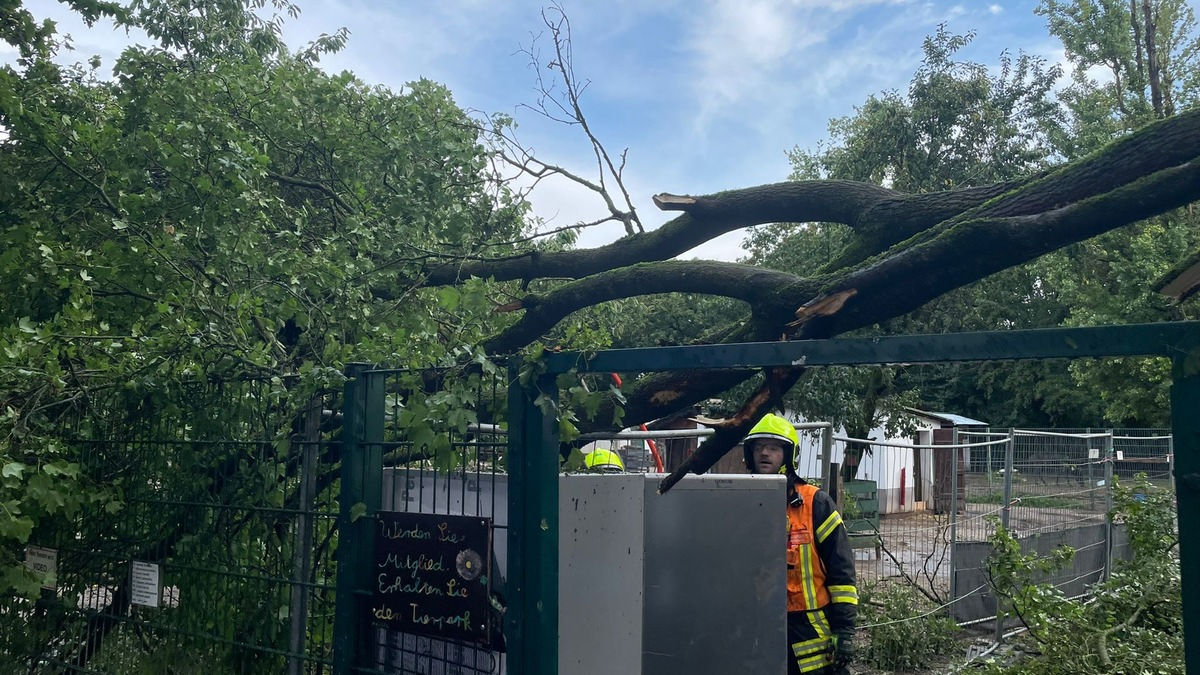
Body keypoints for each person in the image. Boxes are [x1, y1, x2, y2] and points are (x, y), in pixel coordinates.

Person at [744, 413, 858, 675]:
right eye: (759, 447)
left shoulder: (815, 503)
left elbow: (842, 572)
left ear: (789, 455)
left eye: (773, 448)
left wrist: (844, 630)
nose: (764, 453)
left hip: (810, 627)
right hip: (759, 625)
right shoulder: (742, 500)